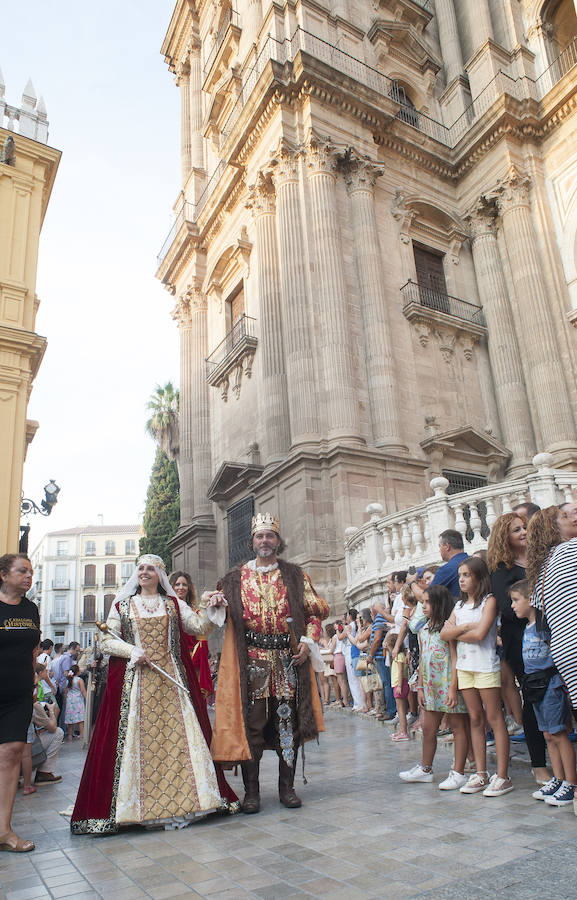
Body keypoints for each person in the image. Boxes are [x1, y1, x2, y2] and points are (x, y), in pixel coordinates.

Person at [70, 553, 239, 834]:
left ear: (160, 575)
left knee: (178, 742)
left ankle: (186, 801)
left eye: (150, 569)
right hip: (136, 686)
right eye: (141, 568)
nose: (144, 572)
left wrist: (213, 608)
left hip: (171, 684)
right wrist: (131, 650)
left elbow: (198, 628)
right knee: (140, 743)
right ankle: (136, 807)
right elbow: (106, 639)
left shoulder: (173, 604)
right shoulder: (122, 606)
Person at [210, 512, 328, 814]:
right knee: (253, 727)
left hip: (288, 660)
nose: (265, 541)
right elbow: (218, 616)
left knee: (288, 724)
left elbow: (316, 612)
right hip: (252, 662)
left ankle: (286, 789)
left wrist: (307, 641)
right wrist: (215, 604)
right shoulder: (234, 578)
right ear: (253, 542)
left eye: (270, 536)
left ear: (278, 540)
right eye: (260, 536)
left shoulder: (294, 574)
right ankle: (252, 793)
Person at [441, 556, 513, 797]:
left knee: (494, 718)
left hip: (485, 666)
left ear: (479, 577)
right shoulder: (459, 606)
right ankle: (481, 773)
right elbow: (444, 633)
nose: (461, 579)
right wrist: (462, 629)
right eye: (460, 575)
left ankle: (503, 775)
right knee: (475, 719)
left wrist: (456, 632)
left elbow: (481, 634)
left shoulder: (489, 602)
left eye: (466, 575)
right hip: (465, 668)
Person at [487, 512, 549, 783]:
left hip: (550, 634)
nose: (523, 532)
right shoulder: (502, 570)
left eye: (524, 527)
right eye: (516, 530)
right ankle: (538, 763)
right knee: (533, 697)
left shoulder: (538, 559)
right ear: (504, 537)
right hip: (522, 643)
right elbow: (506, 608)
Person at [510, 579, 577, 808]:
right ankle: (558, 778)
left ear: (532, 600)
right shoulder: (526, 628)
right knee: (547, 734)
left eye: (516, 600)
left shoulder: (545, 624)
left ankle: (571, 782)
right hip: (534, 685)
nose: (513, 605)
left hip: (551, 684)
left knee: (558, 733)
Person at [400, 585, 469, 789]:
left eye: (428, 602)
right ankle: (425, 768)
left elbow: (455, 657)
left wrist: (453, 688)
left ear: (439, 604)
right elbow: (422, 660)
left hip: (448, 685)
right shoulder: (424, 630)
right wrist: (420, 687)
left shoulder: (449, 628)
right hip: (430, 687)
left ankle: (458, 771)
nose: (424, 606)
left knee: (458, 727)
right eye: (422, 602)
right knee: (429, 729)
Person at [0, 553, 39, 852]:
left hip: (19, 693)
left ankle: (4, 831)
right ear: (4, 575)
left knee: (12, 752)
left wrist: (34, 681)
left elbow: (33, 650)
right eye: (22, 571)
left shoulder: (31, 609)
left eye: (31, 572)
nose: (28, 576)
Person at [527, 507, 577, 717]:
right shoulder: (571, 550)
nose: (573, 518)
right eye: (565, 516)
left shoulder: (541, 570)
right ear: (553, 529)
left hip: (563, 651)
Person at [169, 571, 213, 698]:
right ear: (171, 587)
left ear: (189, 588)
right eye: (177, 584)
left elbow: (202, 635)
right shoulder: (164, 608)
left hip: (191, 662)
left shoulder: (196, 612)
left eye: (184, 584)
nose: (181, 587)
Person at [366, 600, 396, 720]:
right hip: (381, 656)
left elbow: (377, 639)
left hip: (380, 656)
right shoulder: (379, 618)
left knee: (386, 683)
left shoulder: (379, 617)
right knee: (387, 682)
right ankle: (390, 709)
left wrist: (370, 655)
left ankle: (391, 710)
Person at [32, 698, 63, 786]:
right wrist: (51, 711)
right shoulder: (33, 705)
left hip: (7, 755)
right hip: (24, 754)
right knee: (58, 732)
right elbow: (52, 727)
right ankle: (44, 772)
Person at [63, 665, 86, 742]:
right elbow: (83, 691)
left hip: (70, 701)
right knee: (80, 718)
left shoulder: (68, 680)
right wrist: (87, 698)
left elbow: (65, 692)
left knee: (70, 718)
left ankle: (69, 735)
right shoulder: (79, 680)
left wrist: (66, 700)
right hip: (78, 700)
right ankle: (82, 734)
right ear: (78, 671)